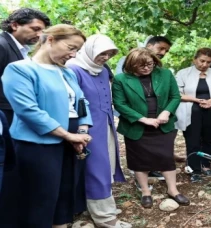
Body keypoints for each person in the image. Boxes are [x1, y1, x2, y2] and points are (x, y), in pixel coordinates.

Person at [1, 24, 93, 227]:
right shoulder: (19, 69)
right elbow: (28, 110)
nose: (73, 54)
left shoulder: (67, 73)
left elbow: (81, 102)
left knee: (65, 190)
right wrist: (68, 136)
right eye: (71, 47)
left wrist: (83, 130)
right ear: (50, 39)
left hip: (72, 140)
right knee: (41, 196)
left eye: (77, 50)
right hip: (38, 144)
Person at [112, 47, 189, 208]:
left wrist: (167, 112)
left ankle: (173, 190)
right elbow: (119, 104)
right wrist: (143, 119)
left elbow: (175, 96)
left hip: (163, 124)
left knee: (166, 157)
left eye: (150, 64)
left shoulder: (165, 74)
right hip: (137, 126)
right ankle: (146, 191)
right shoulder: (121, 79)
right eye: (142, 65)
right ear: (132, 65)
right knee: (139, 160)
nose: (147, 68)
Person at [66, 35, 131, 228]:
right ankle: (105, 217)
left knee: (106, 164)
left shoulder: (102, 70)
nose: (106, 57)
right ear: (90, 50)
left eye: (110, 54)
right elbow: (73, 101)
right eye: (102, 53)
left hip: (106, 123)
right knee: (96, 168)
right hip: (85, 127)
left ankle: (94, 206)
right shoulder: (73, 69)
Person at [175, 48, 211, 182]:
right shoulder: (184, 73)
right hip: (191, 110)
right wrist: (196, 100)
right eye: (202, 61)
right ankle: (194, 169)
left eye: (208, 62)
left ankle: (206, 165)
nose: (204, 65)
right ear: (195, 59)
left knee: (209, 139)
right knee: (192, 140)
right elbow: (176, 93)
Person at [0, 8, 51, 123]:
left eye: (42, 31)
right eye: (35, 29)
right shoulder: (2, 45)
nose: (39, 35)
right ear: (14, 25)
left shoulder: (22, 50)